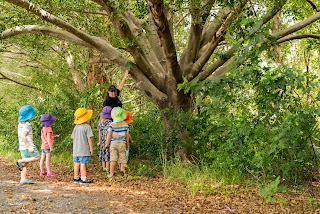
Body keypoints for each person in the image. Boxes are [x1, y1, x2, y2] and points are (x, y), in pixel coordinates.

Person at [16, 105, 40, 185]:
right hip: (28, 145)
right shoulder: (27, 125)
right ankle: (20, 161)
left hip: (22, 146)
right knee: (37, 157)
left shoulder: (20, 124)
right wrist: (29, 146)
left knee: (25, 163)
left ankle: (23, 179)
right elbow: (23, 135)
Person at [104, 107, 130, 178]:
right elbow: (127, 136)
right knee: (123, 159)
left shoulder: (112, 124)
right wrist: (127, 145)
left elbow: (109, 135)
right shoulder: (125, 125)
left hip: (113, 144)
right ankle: (124, 173)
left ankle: (111, 174)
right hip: (122, 143)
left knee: (113, 159)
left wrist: (107, 144)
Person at [71, 107, 94, 184]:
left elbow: (72, 137)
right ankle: (83, 179)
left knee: (76, 164)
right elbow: (89, 139)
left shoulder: (76, 127)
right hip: (83, 150)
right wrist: (91, 149)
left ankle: (76, 178)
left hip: (75, 150)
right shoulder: (87, 127)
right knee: (83, 163)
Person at [97, 106, 113, 173]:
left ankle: (104, 168)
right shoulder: (111, 123)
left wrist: (99, 141)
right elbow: (111, 133)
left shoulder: (100, 123)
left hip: (103, 141)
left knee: (103, 155)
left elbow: (100, 133)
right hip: (109, 141)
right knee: (108, 156)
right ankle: (107, 168)